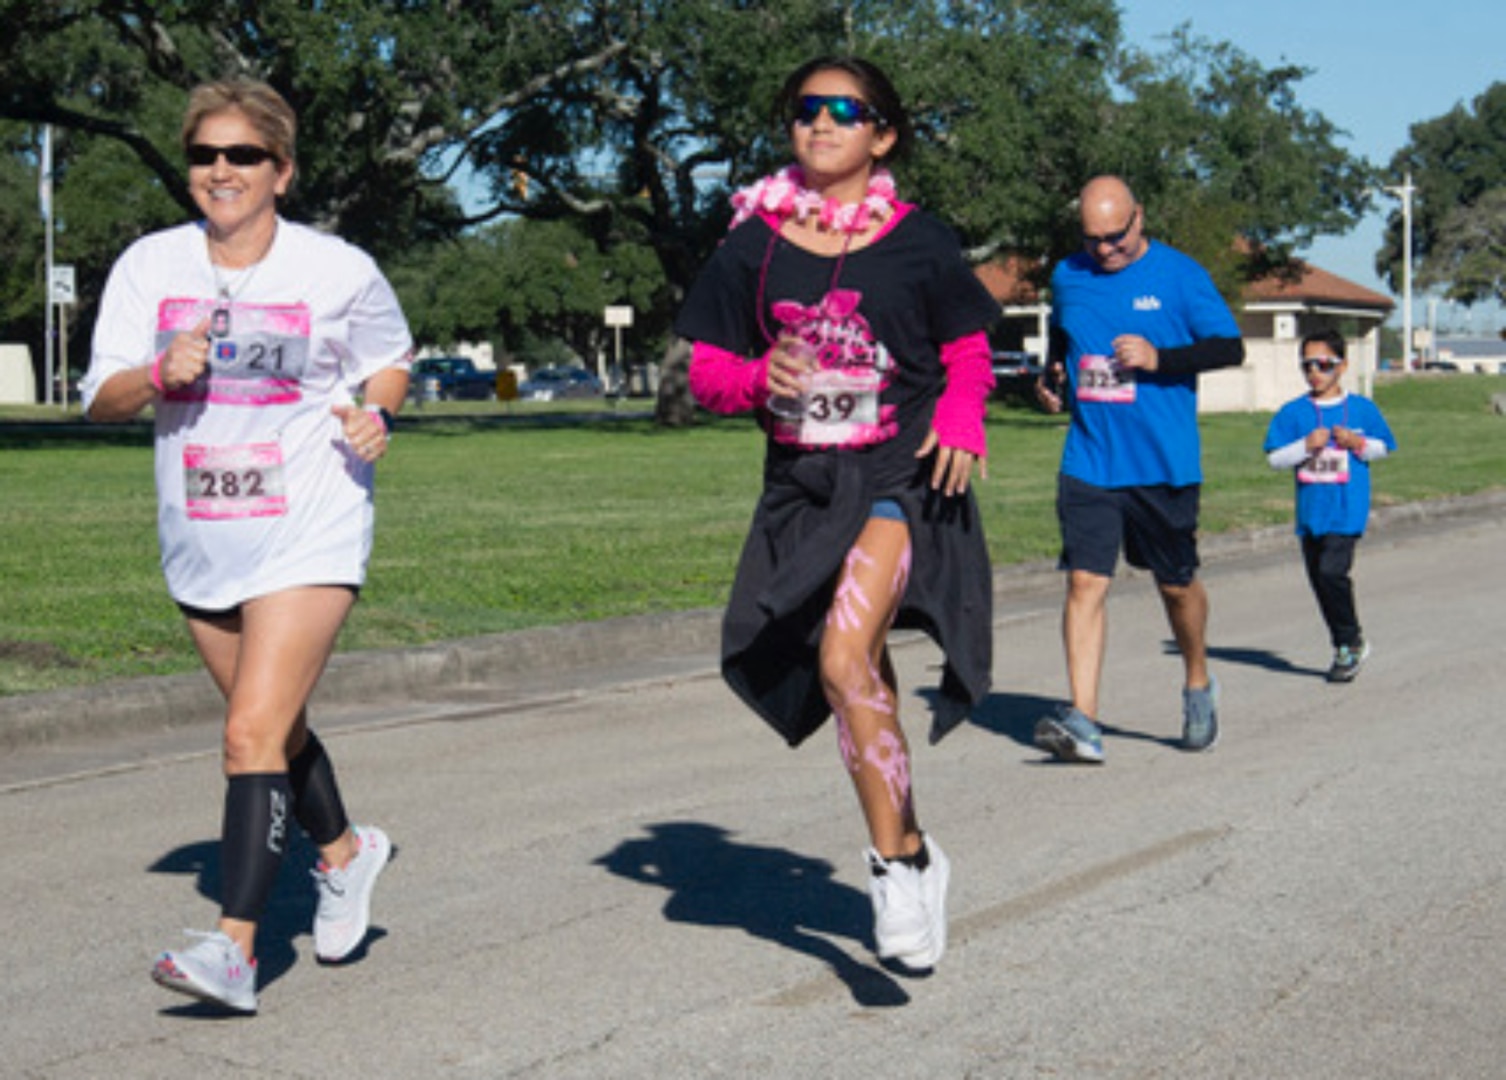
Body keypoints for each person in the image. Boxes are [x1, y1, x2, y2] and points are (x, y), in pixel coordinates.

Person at [81, 78, 411, 1013]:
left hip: (311, 519)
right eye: (204, 155)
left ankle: (236, 951)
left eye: (243, 155)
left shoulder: (334, 268)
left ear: (283, 171)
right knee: (277, 730)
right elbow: (99, 396)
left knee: (247, 734)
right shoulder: (148, 266)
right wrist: (155, 373)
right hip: (201, 531)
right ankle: (346, 854)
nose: (220, 170)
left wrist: (375, 411)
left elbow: (390, 357)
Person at [674, 56, 998, 973]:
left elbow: (969, 353)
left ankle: (893, 871)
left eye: (844, 111)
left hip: (903, 475)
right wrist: (754, 376)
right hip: (805, 489)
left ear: (882, 136)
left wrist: (964, 420)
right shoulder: (753, 243)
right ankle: (920, 847)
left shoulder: (920, 240)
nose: (821, 124)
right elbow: (706, 373)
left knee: (843, 655)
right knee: (863, 683)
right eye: (805, 110)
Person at [1034, 175, 1244, 764]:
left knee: (1176, 586)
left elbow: (1229, 347)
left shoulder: (1179, 275)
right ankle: (1084, 719)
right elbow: (1063, 334)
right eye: (1093, 238)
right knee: (1084, 581)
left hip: (1162, 462)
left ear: (1140, 217)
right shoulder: (1069, 275)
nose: (1105, 249)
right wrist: (1053, 376)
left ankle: (1198, 681)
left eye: (1116, 236)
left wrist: (1160, 359)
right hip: (1091, 458)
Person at [1264, 329, 1396, 682]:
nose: (1315, 373)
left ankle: (1349, 643)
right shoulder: (1293, 412)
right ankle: (1344, 641)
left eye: (1324, 364)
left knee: (1331, 573)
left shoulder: (1361, 408)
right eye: (1307, 365)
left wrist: (1357, 442)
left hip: (1346, 508)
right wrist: (1306, 445)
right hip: (1311, 512)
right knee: (1320, 581)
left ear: (1343, 365)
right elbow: (1275, 458)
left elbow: (1383, 447)